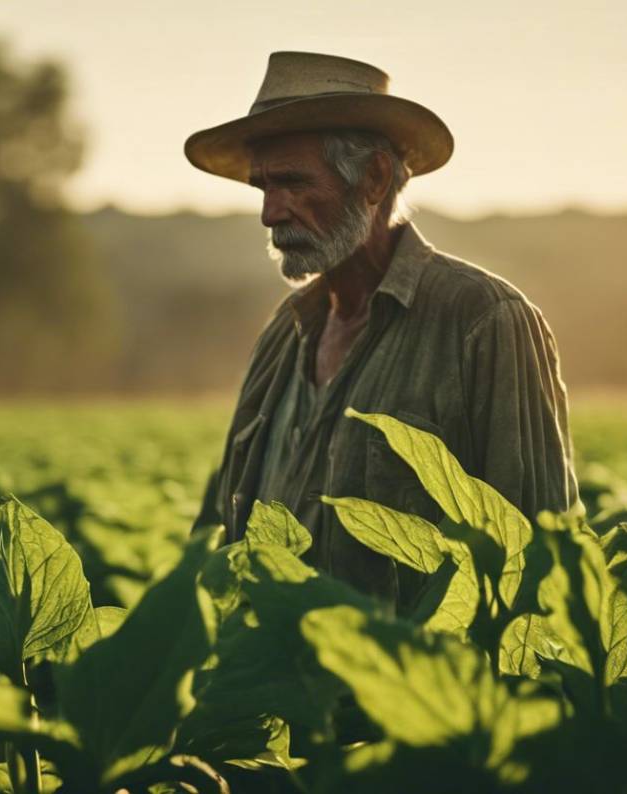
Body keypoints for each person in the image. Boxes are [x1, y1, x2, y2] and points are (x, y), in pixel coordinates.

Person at [186, 51, 579, 608]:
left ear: (373, 179)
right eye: (263, 187)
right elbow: (219, 540)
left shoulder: (486, 322)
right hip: (280, 688)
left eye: (293, 183)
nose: (270, 212)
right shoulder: (283, 333)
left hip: (413, 690)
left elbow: (543, 563)